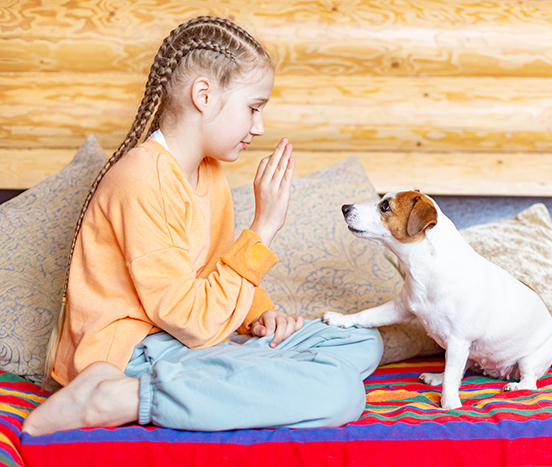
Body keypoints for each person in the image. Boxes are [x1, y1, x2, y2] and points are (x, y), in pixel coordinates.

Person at [23, 16, 382, 437]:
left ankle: (238, 378)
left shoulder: (208, 173)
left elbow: (215, 270)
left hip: (183, 341)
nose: (260, 127)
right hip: (132, 353)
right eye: (254, 107)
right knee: (339, 391)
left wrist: (260, 315)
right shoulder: (142, 178)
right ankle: (117, 396)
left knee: (358, 342)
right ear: (204, 95)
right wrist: (262, 229)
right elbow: (190, 321)